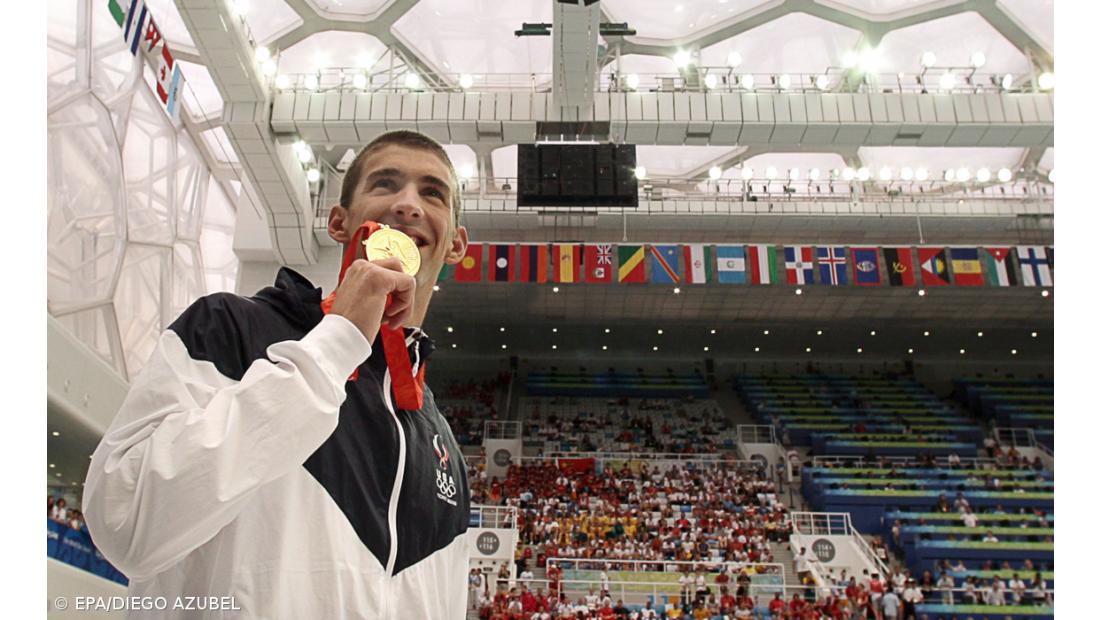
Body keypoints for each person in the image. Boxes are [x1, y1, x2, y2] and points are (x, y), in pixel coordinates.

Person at [83, 131, 473, 618]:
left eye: (432, 193)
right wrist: (337, 343)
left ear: (455, 245)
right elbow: (127, 523)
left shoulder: (442, 443)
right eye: (385, 184)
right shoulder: (228, 329)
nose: (408, 204)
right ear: (339, 222)